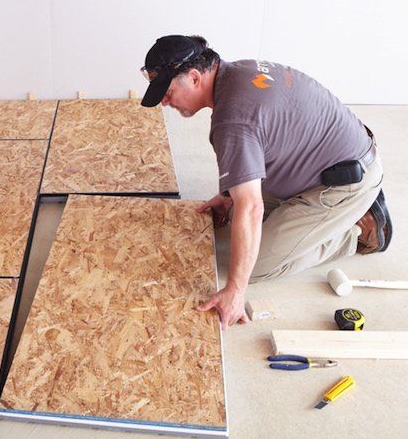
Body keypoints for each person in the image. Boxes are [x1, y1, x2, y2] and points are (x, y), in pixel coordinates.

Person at [140, 35, 392, 329]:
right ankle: (337, 213)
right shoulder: (238, 71)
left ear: (195, 78)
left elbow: (253, 208)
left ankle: (355, 230)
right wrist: (230, 195)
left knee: (254, 265)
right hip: (330, 159)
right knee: (235, 217)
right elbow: (262, 140)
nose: (165, 102)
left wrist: (235, 291)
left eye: (168, 92)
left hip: (343, 183)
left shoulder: (232, 121)